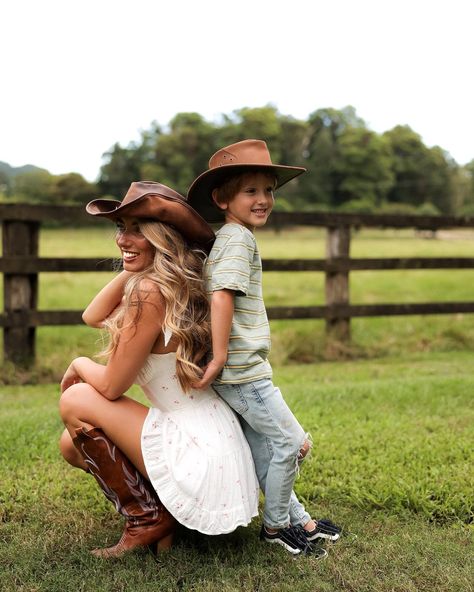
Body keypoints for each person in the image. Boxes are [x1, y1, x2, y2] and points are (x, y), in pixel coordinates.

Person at [58, 181, 260, 558]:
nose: (123, 239)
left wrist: (79, 364)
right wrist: (138, 262)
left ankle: (147, 518)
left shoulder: (149, 292)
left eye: (138, 230)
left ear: (164, 238)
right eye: (122, 228)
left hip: (197, 454)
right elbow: (92, 316)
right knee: (73, 444)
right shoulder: (164, 283)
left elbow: (113, 386)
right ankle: (164, 510)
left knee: (77, 399)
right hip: (215, 443)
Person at [187, 140, 341, 557]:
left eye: (269, 190)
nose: (263, 199)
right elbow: (221, 295)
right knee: (292, 444)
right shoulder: (238, 240)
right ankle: (275, 526)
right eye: (250, 191)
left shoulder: (232, 236)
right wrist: (220, 356)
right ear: (222, 198)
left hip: (240, 370)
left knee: (266, 448)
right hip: (242, 371)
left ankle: (300, 519)